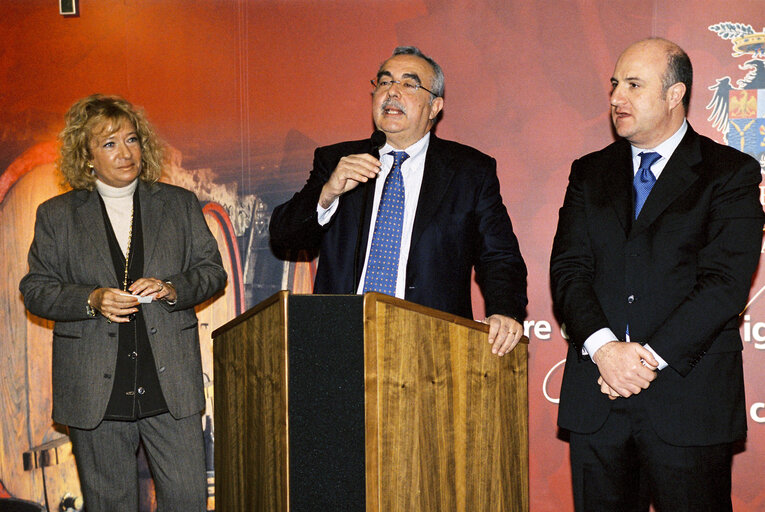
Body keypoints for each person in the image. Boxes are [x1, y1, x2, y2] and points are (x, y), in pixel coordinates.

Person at [550, 38, 764, 511]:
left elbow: (725, 284)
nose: (615, 98)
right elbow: (569, 269)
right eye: (614, 85)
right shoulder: (589, 172)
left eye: (633, 85)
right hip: (598, 398)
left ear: (674, 95)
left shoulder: (730, 172)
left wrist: (640, 361)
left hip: (688, 401)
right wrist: (605, 349)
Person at [19, 94, 227, 512]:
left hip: (171, 389)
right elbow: (36, 289)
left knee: (187, 501)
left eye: (131, 140)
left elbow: (212, 272)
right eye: (109, 143)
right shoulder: (57, 215)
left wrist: (171, 288)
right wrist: (91, 298)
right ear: (87, 155)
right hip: (95, 393)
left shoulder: (179, 203)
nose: (125, 152)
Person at [269, 46, 527, 355]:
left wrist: (504, 310)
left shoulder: (468, 171)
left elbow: (499, 256)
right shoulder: (337, 160)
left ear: (435, 106)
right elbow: (282, 235)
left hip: (433, 347)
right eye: (384, 82)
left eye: (409, 84)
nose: (392, 91)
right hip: (339, 342)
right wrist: (328, 192)